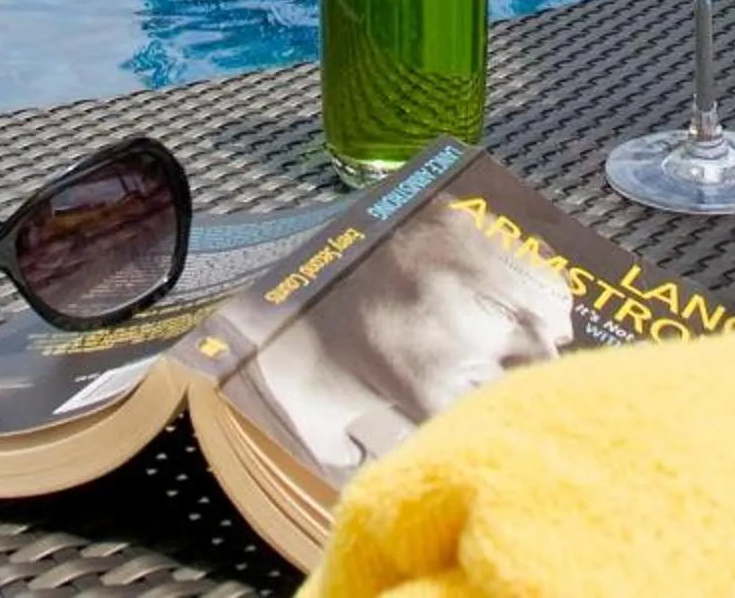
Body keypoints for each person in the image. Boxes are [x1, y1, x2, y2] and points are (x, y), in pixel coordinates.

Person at [227, 206, 576, 483]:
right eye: (502, 310)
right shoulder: (201, 358)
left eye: (558, 344)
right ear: (365, 251)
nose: (544, 365)